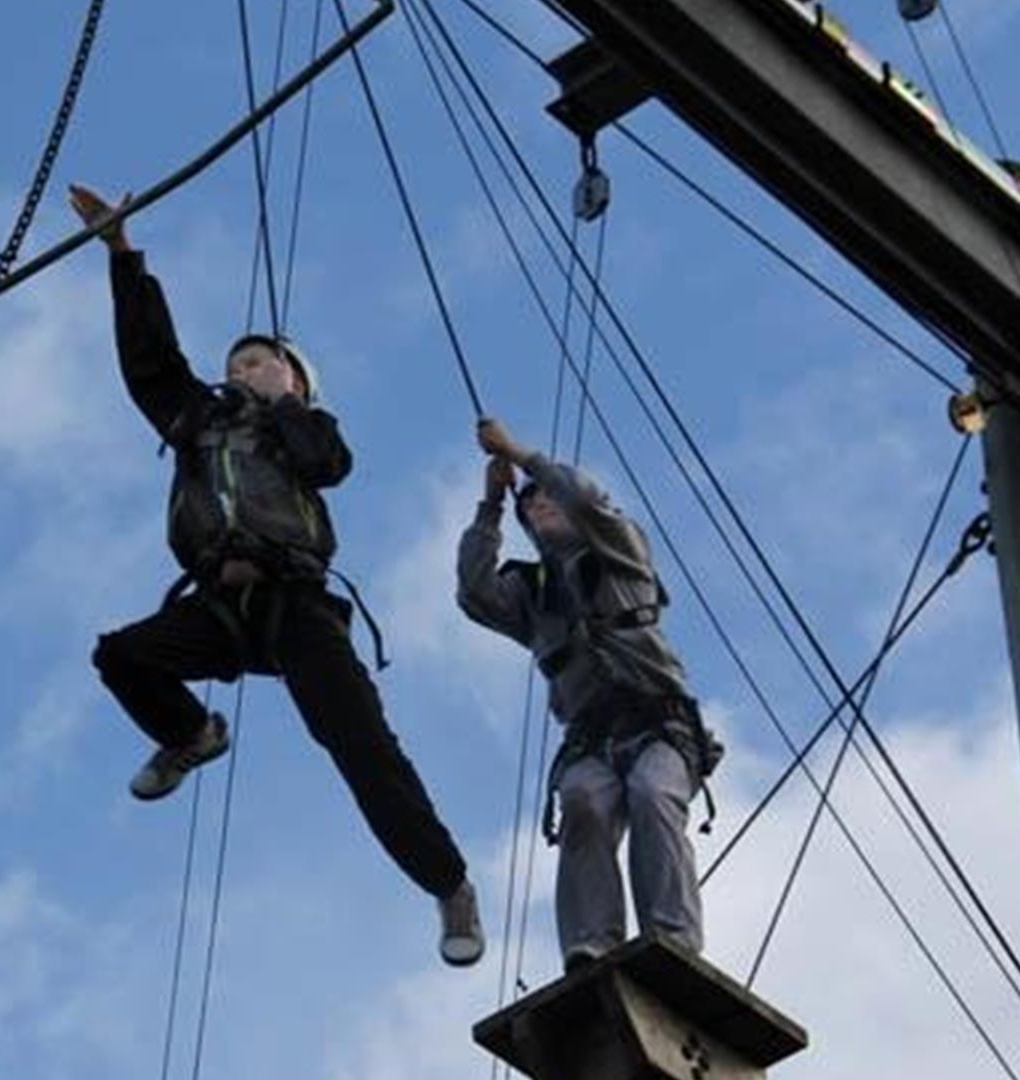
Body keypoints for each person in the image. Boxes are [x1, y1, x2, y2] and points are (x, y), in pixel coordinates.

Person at [68, 183, 483, 967]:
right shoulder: (198, 421)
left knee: (358, 740)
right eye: (236, 362)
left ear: (294, 376)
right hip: (222, 601)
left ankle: (448, 881)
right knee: (121, 655)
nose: (243, 367)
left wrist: (283, 403)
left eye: (260, 360)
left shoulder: (307, 428)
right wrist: (123, 256)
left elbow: (328, 466)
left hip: (295, 599)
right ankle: (194, 735)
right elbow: (149, 362)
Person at [457, 417, 721, 972]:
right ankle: (593, 944)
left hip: (659, 725)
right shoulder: (533, 594)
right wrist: (491, 507)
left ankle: (672, 940)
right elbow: (476, 593)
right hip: (590, 737)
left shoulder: (620, 552)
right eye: (530, 506)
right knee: (584, 805)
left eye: (548, 499)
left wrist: (522, 455)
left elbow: (590, 500)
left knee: (653, 794)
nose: (539, 506)